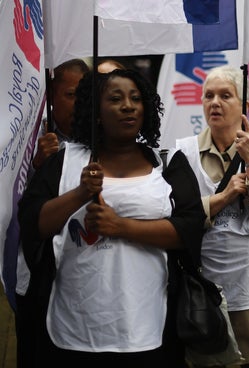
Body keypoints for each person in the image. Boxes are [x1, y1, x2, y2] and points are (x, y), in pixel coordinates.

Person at [18, 69, 206, 366]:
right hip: (73, 330)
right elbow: (32, 224)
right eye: (115, 99)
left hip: (147, 329)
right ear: (95, 112)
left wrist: (121, 226)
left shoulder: (168, 164)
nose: (128, 106)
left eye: (135, 98)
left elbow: (189, 229)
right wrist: (80, 193)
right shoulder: (63, 162)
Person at [175, 65, 249, 368]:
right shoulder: (183, 154)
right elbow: (180, 220)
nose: (215, 103)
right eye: (208, 95)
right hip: (206, 292)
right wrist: (222, 198)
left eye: (226, 95)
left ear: (244, 107)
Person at [15, 58, 89, 367]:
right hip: (36, 275)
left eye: (85, 95)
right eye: (71, 94)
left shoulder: (100, 140)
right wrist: (35, 168)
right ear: (51, 96)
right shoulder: (27, 139)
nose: (79, 103)